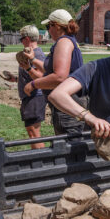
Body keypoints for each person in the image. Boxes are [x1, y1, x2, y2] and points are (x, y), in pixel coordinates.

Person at [23, 9, 87, 137]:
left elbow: (59, 77)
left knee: (70, 147)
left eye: (48, 26)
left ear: (56, 26)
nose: (48, 30)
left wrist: (34, 84)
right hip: (70, 102)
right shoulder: (69, 40)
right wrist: (33, 60)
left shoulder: (63, 42)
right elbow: (52, 69)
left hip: (67, 105)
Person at [8, 25, 46, 149]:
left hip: (35, 97)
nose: (21, 41)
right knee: (31, 132)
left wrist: (28, 68)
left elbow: (40, 78)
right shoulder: (30, 53)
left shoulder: (37, 54)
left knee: (34, 133)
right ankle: (38, 160)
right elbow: (30, 77)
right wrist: (15, 79)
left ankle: (40, 161)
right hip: (30, 97)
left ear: (28, 39)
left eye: (21, 38)